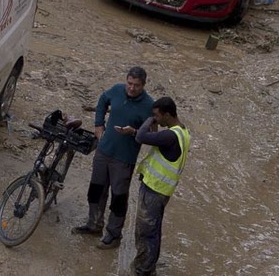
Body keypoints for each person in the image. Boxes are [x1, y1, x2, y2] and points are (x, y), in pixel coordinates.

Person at [72, 66, 154, 249]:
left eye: (137, 86)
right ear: (126, 81)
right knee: (96, 190)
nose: (131, 88)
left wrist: (133, 132)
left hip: (124, 159)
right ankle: (94, 224)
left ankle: (114, 235)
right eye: (129, 84)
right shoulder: (117, 90)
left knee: (118, 198)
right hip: (104, 150)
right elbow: (102, 101)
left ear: (144, 85)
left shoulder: (149, 105)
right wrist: (98, 125)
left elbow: (150, 133)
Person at [131, 97, 191, 276]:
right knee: (153, 230)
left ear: (167, 114)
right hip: (162, 191)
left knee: (146, 232)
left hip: (154, 190)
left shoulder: (170, 135)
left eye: (157, 115)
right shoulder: (182, 132)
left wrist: (149, 121)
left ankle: (143, 270)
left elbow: (140, 137)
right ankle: (149, 267)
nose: (155, 118)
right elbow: (156, 142)